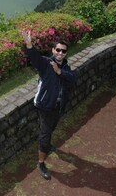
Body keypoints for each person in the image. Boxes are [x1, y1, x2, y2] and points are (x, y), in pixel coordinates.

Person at [22, 30, 76, 180]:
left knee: (51, 128)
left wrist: (60, 72)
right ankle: (41, 163)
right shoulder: (46, 64)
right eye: (57, 49)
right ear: (53, 50)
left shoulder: (65, 68)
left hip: (58, 107)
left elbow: (72, 79)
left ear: (66, 53)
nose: (60, 53)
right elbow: (35, 58)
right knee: (45, 135)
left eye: (63, 51)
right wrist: (29, 45)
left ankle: (46, 144)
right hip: (45, 106)